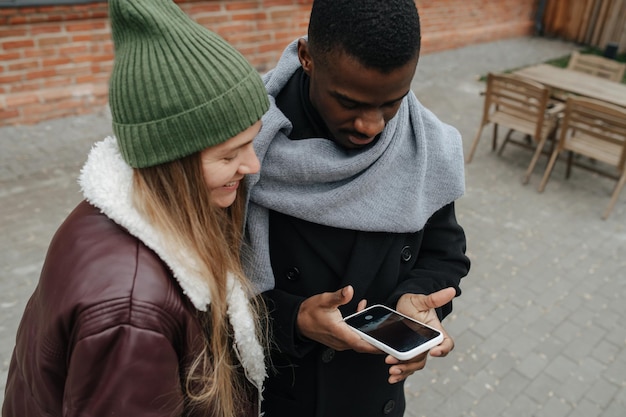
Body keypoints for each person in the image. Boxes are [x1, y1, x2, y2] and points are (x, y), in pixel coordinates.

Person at [2, 1, 270, 416]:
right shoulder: (132, 309)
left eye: (251, 143)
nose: (253, 166)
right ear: (170, 160)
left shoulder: (116, 216)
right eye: (229, 155)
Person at [244, 0, 471, 416]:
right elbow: (205, 275)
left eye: (392, 102)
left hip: (370, 390)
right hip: (275, 389)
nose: (372, 125)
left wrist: (416, 303)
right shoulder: (244, 140)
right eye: (348, 102)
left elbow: (445, 253)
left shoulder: (428, 148)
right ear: (307, 57)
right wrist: (291, 319)